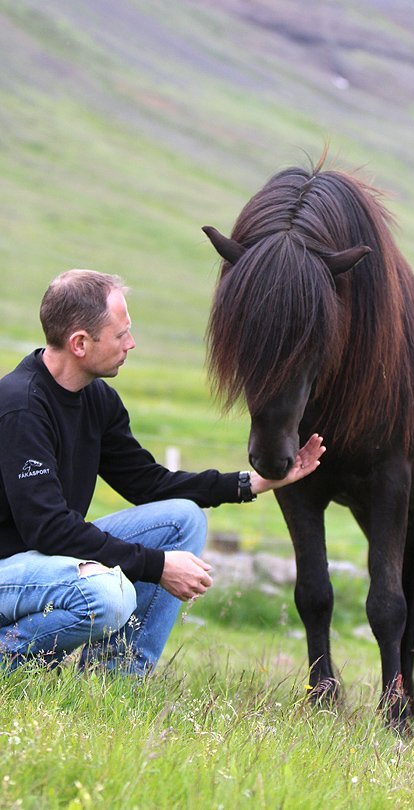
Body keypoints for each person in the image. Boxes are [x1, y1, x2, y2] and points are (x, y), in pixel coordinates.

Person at [0, 269, 325, 675]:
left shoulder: (97, 399)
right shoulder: (20, 407)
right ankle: (8, 659)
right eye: (120, 335)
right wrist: (157, 565)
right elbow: (48, 530)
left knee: (182, 518)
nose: (130, 344)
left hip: (44, 565)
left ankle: (116, 679)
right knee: (109, 596)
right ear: (80, 343)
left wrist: (251, 483)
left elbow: (148, 483)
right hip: (8, 570)